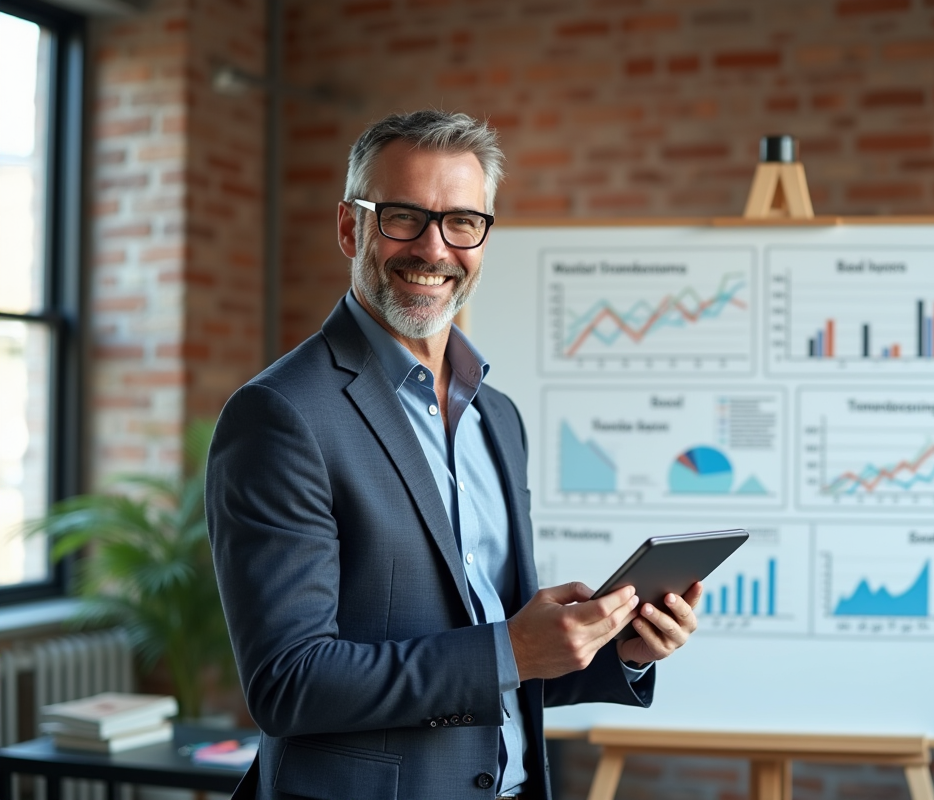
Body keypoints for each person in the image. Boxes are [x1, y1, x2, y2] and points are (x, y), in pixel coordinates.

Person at [205, 109, 702, 800]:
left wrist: (615, 649)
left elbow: (492, 666)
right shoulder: (282, 416)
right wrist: (513, 648)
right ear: (351, 226)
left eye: (463, 222)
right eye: (403, 216)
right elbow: (288, 683)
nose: (434, 249)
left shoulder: (498, 418)